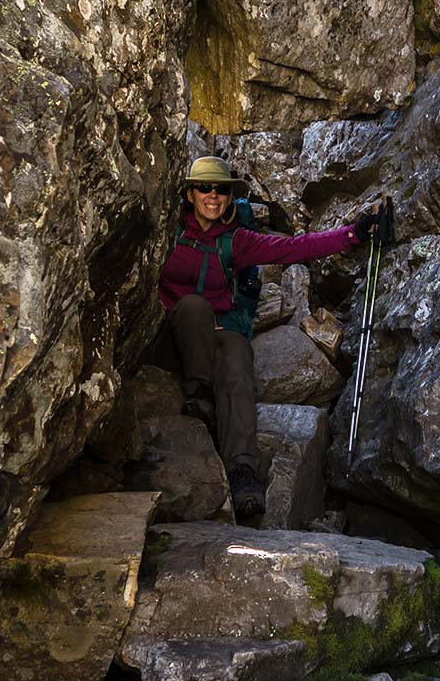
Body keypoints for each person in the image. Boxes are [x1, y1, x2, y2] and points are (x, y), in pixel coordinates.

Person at [153, 156, 385, 517]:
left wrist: (353, 234)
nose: (213, 196)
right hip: (170, 338)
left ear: (230, 197)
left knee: (236, 349)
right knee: (195, 307)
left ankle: (243, 471)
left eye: (222, 190)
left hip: (215, 338)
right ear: (189, 193)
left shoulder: (237, 242)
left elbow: (293, 247)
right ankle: (198, 392)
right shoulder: (167, 234)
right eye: (204, 187)